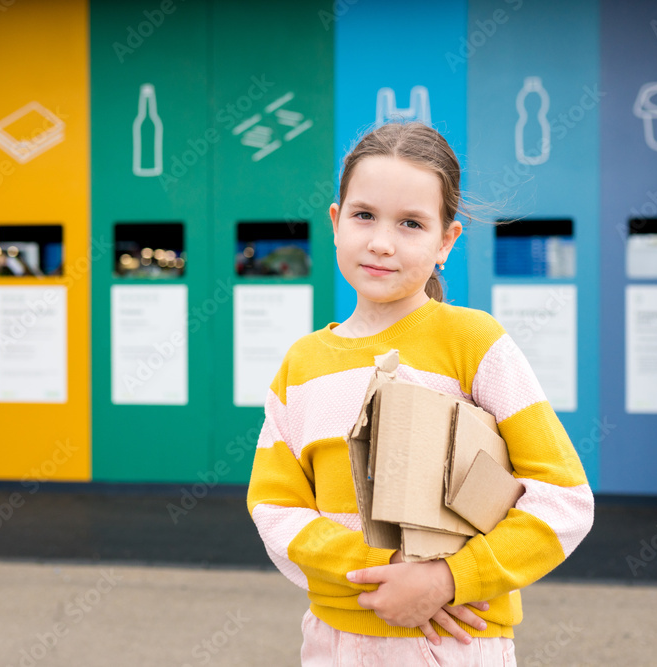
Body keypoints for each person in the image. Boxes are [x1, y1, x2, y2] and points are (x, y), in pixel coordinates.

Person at [245, 121, 594, 666]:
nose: (381, 242)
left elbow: (564, 499)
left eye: (411, 223)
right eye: (364, 215)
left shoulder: (474, 342)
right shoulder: (301, 364)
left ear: (446, 241)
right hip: (332, 642)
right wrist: (383, 572)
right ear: (336, 224)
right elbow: (274, 506)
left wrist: (449, 578)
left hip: (452, 643)